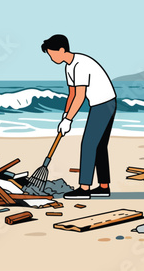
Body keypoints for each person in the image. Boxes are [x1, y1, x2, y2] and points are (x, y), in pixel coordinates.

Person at [41, 34, 116, 199]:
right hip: (101, 103)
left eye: (52, 53)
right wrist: (65, 116)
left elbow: (80, 97)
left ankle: (84, 188)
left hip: (104, 104)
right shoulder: (68, 67)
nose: (52, 57)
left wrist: (69, 120)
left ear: (62, 49)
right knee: (99, 146)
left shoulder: (80, 65)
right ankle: (104, 187)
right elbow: (72, 94)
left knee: (89, 144)